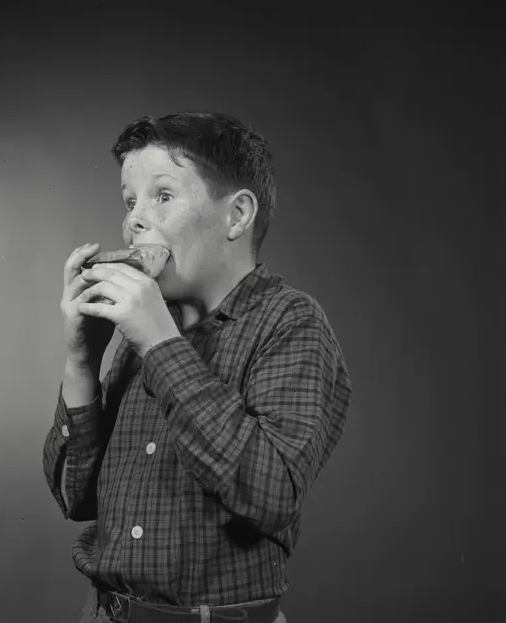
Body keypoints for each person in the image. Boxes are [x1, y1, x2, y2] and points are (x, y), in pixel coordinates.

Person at [43, 111, 352, 623]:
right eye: (130, 200)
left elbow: (271, 494)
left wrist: (160, 344)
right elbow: (75, 498)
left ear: (236, 216)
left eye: (162, 195)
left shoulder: (291, 322)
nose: (135, 219)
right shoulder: (141, 334)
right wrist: (82, 361)